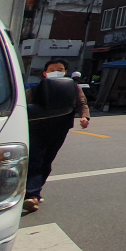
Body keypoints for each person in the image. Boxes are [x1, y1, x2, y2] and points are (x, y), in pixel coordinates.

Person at [24, 58, 90, 213]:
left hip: (60, 128)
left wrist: (84, 117)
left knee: (47, 160)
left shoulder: (73, 87)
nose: (56, 72)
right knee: (35, 160)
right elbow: (25, 106)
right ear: (45, 73)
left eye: (60, 70)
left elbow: (82, 103)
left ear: (65, 72)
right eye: (52, 69)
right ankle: (31, 195)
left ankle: (35, 192)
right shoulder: (35, 88)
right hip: (37, 129)